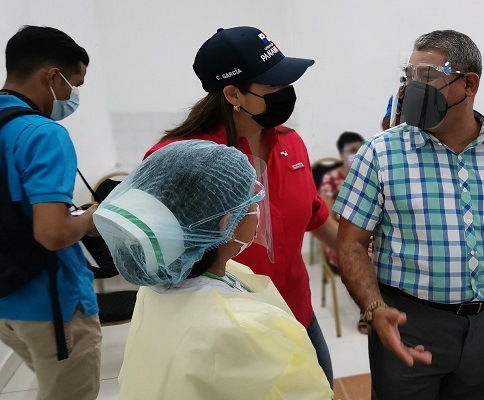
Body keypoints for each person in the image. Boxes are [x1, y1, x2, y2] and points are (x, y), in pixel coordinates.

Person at [333, 30, 484, 399]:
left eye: (428, 77)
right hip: (409, 321)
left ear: (468, 84)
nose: (412, 88)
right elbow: (351, 243)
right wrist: (374, 309)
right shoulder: (381, 152)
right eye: (409, 77)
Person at [144, 26, 337, 386]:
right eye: (273, 86)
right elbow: (160, 258)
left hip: (296, 314)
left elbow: (313, 214)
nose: (286, 93)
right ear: (232, 92)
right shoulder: (184, 158)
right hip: (228, 331)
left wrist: (362, 252)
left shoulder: (290, 144)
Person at [94, 140, 333, 399]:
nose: (258, 209)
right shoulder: (242, 328)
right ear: (226, 225)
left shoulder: (154, 290)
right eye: (253, 201)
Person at [0, 26, 102, 399]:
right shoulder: (42, 134)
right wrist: (92, 216)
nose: (73, 96)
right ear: (51, 76)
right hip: (52, 302)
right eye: (74, 84)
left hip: (6, 300)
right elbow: (53, 233)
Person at [317, 131, 368, 333]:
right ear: (341, 155)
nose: (357, 154)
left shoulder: (367, 175)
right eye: (352, 151)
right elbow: (327, 217)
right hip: (340, 238)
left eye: (360, 150)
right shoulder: (331, 179)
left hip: (368, 236)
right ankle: (368, 311)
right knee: (367, 256)